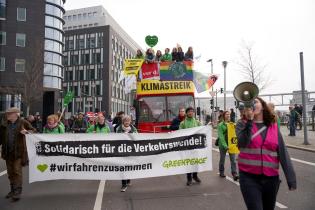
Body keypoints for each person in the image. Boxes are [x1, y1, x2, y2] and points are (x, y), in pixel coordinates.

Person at [236, 97, 296, 210]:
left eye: (256, 102)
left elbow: (283, 152)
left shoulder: (273, 126)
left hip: (271, 179)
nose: (253, 104)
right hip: (249, 178)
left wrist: (291, 178)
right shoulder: (241, 124)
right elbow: (242, 143)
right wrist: (249, 121)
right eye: (250, 103)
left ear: (263, 106)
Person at [0, 107, 36, 201]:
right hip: (7, 152)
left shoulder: (23, 122)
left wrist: (27, 132)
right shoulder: (4, 124)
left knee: (17, 172)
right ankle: (12, 190)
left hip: (19, 152)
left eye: (9, 114)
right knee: (10, 173)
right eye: (7, 113)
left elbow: (34, 131)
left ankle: (17, 192)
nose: (7, 115)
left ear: (16, 114)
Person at [179, 107, 202, 186]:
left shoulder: (197, 122)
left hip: (195, 146)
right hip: (187, 146)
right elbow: (180, 134)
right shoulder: (182, 123)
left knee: (195, 162)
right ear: (186, 113)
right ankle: (189, 178)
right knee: (188, 162)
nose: (191, 113)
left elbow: (202, 130)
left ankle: (195, 176)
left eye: (192, 111)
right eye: (189, 111)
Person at [116, 115, 138, 192]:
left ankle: (128, 180)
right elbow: (116, 139)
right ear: (123, 121)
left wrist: (130, 134)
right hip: (122, 150)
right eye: (125, 121)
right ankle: (123, 185)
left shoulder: (133, 128)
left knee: (129, 166)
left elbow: (136, 138)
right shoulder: (119, 129)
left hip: (130, 150)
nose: (127, 122)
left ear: (130, 121)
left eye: (128, 121)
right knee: (123, 167)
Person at [217, 111, 239, 180]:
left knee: (233, 160)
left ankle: (234, 173)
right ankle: (221, 172)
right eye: (227, 114)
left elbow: (235, 134)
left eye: (229, 114)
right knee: (222, 159)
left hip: (231, 144)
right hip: (223, 145)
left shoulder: (232, 124)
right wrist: (225, 145)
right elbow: (221, 136)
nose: (228, 115)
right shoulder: (220, 125)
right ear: (224, 116)